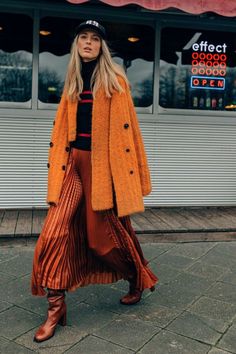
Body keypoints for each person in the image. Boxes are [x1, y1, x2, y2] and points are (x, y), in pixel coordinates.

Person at [31, 19, 158, 343]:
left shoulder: (114, 80)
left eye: (94, 39)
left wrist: (131, 178)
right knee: (54, 232)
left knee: (105, 238)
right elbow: (61, 131)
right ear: (77, 45)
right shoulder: (72, 81)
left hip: (105, 170)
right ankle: (55, 307)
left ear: (101, 46)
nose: (88, 43)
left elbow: (130, 134)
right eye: (83, 38)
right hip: (74, 165)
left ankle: (135, 277)